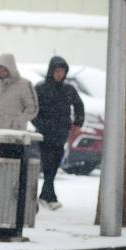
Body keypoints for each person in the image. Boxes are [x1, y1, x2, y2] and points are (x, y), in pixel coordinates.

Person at [33, 56, 84, 210]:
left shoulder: (68, 89)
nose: (59, 74)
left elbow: (78, 105)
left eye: (62, 71)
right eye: (57, 71)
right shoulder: (40, 88)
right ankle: (50, 195)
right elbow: (33, 110)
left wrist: (78, 123)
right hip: (44, 133)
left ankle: (46, 194)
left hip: (61, 133)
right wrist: (41, 124)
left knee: (55, 163)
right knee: (47, 163)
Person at [0, 53, 39, 130]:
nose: (1, 72)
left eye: (5, 69)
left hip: (14, 134)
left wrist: (18, 121)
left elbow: (32, 108)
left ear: (11, 68)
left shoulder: (24, 84)